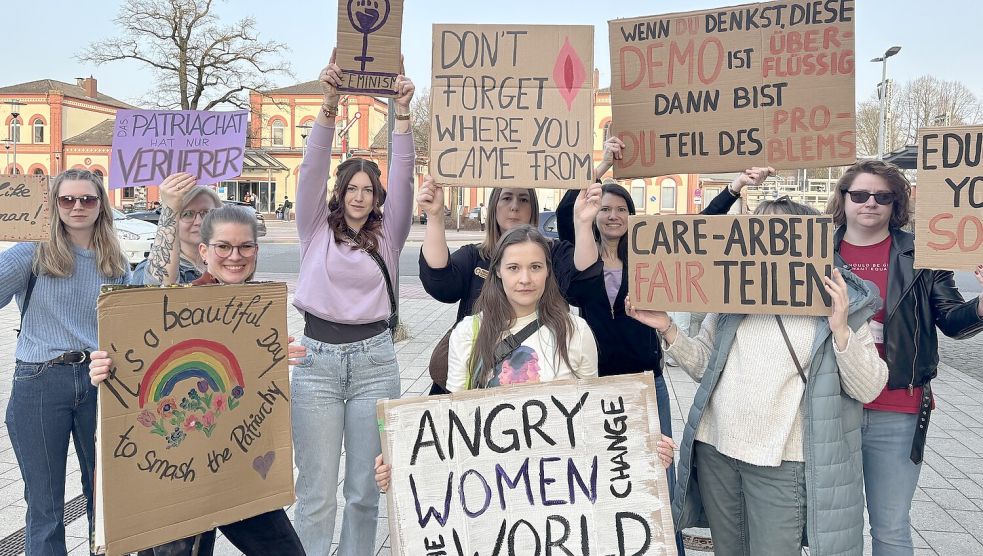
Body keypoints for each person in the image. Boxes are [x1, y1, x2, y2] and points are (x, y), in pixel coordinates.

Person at [629, 197, 889, 555]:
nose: (759, 243)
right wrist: (668, 329)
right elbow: (706, 366)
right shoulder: (731, 296)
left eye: (771, 234)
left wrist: (841, 328)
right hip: (717, 453)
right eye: (755, 232)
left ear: (805, 243)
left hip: (783, 462)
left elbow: (869, 387)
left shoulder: (840, 301)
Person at [557, 134, 773, 554]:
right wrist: (600, 166)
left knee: (658, 475)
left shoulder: (651, 255)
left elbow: (698, 227)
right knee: (602, 473)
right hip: (596, 385)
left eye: (622, 209)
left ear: (633, 217)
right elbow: (570, 209)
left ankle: (667, 547)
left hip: (647, 382)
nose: (613, 215)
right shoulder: (579, 259)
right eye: (605, 208)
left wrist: (733, 188)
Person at [373, 225, 679, 490]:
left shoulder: (576, 332)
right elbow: (452, 422)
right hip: (488, 486)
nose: (525, 279)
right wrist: (400, 466)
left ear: (549, 271)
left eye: (535, 267)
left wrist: (643, 447)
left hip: (558, 486)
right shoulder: (468, 333)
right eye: (513, 268)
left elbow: (592, 420)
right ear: (497, 273)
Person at [89, 204, 308, 555]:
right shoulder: (175, 304)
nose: (235, 256)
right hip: (176, 475)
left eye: (245, 246)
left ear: (256, 250)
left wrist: (273, 359)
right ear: (204, 251)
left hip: (239, 468)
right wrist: (103, 369)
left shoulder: (257, 311)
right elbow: (131, 357)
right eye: (223, 246)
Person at [289, 50, 415, 556]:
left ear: (377, 196)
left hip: (374, 363)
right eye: (352, 187)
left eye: (369, 189)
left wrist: (402, 112)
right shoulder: (313, 228)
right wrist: (329, 104)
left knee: (365, 491)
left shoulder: (390, 237)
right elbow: (310, 170)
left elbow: (405, 178)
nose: (360, 196)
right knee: (316, 493)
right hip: (317, 362)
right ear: (339, 192)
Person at [826, 160, 983, 555]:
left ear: (897, 204)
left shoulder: (923, 253)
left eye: (883, 196)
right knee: (827, 528)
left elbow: (952, 321)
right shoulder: (814, 251)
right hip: (827, 405)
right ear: (843, 199)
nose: (870, 204)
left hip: (897, 406)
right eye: (859, 195)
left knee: (891, 527)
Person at [0, 168, 130, 553]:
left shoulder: (114, 260)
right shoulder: (31, 253)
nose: (77, 207)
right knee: (45, 507)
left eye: (87, 199)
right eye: (67, 199)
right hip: (40, 381)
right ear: (53, 204)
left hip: (99, 381)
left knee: (105, 500)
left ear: (100, 205)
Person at [131, 172, 221, 285]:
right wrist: (171, 206)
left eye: (206, 213)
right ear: (173, 221)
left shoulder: (231, 264)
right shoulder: (147, 268)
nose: (199, 221)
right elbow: (157, 289)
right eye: (188, 214)